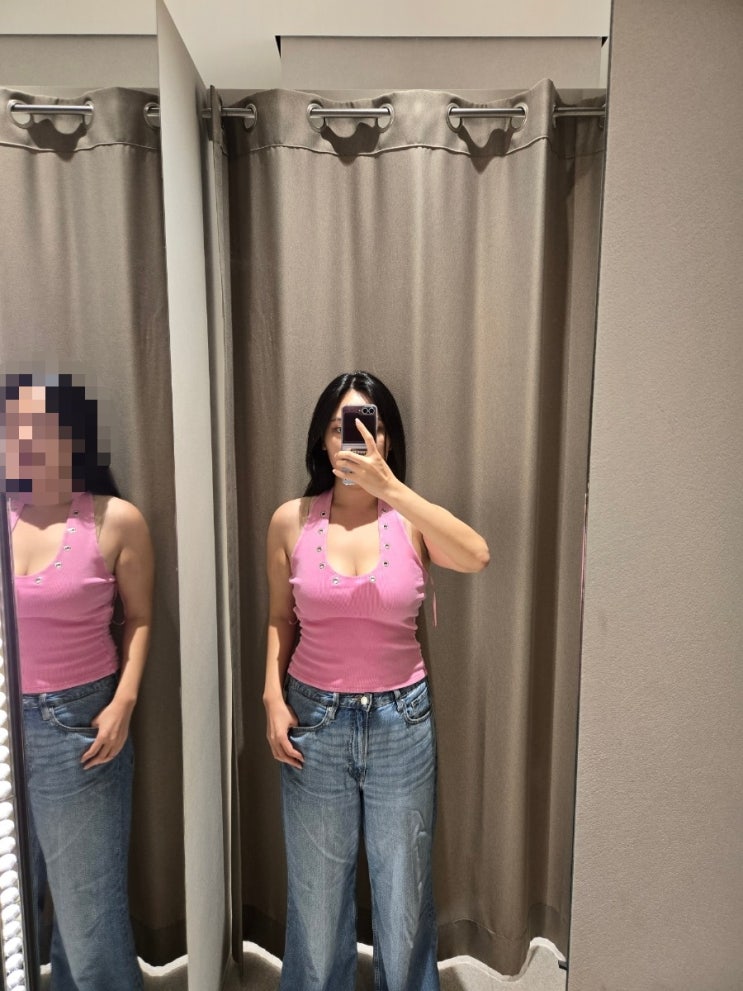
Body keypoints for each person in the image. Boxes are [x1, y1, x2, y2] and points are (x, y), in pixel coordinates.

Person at [263, 370, 490, 991]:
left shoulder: (410, 519)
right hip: (313, 723)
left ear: (388, 439)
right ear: (323, 438)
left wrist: (392, 488)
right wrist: (271, 696)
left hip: (401, 725)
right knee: (316, 900)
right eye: (343, 427)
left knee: (403, 896)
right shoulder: (291, 521)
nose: (357, 439)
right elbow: (280, 619)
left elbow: (477, 555)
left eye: (372, 427)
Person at [0, 372, 153, 991]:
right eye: (13, 428)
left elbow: (140, 618)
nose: (24, 441)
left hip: (79, 727)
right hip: (4, 725)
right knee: (12, 907)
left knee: (88, 916)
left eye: (39, 427)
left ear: (72, 436)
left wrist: (123, 703)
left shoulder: (115, 521)